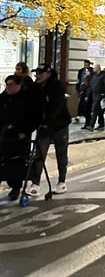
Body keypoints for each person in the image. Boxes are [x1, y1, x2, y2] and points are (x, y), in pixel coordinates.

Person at [29, 64, 71, 194]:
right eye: (37, 73)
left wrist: (48, 120)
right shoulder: (35, 88)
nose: (38, 76)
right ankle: (35, 183)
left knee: (61, 153)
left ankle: (62, 181)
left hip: (59, 125)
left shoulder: (56, 87)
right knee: (39, 153)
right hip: (44, 125)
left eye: (41, 73)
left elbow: (56, 107)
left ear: (48, 74)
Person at [0, 75, 43, 200]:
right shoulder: (3, 98)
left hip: (20, 137)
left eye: (11, 85)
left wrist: (25, 131)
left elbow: (34, 117)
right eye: (7, 85)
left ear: (19, 85)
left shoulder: (27, 99)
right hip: (3, 136)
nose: (9, 87)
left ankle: (16, 187)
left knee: (16, 163)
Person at [83, 64, 105, 130]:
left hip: (100, 94)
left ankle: (92, 125)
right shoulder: (94, 76)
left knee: (95, 109)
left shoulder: (104, 75)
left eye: (95, 68)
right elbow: (91, 86)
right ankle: (101, 124)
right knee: (99, 111)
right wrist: (87, 95)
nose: (94, 69)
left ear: (98, 68)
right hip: (94, 94)